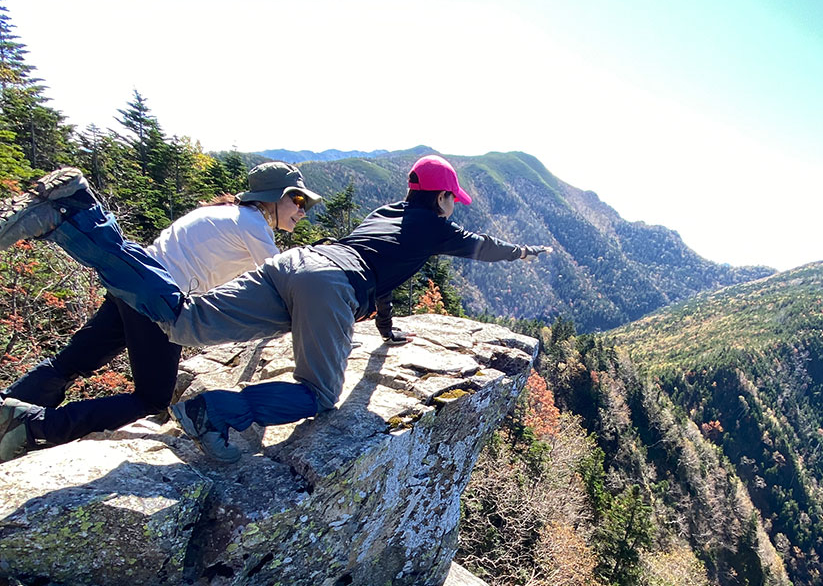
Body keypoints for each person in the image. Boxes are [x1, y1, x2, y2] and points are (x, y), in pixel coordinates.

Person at [0, 155, 550, 463]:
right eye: (454, 199)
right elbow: (482, 247)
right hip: (331, 284)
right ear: (445, 197)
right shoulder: (439, 226)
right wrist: (525, 251)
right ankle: (212, 412)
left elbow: (380, 274)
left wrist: (386, 327)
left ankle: (78, 216)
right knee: (318, 394)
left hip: (302, 265)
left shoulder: (386, 213)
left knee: (185, 321)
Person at [0, 162, 322, 461]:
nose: (301, 210)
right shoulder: (254, 225)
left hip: (133, 289)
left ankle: (8, 411)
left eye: (304, 204)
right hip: (158, 300)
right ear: (272, 197)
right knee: (152, 398)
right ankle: (36, 427)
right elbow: (283, 283)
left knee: (70, 363)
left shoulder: (227, 213)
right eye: (297, 200)